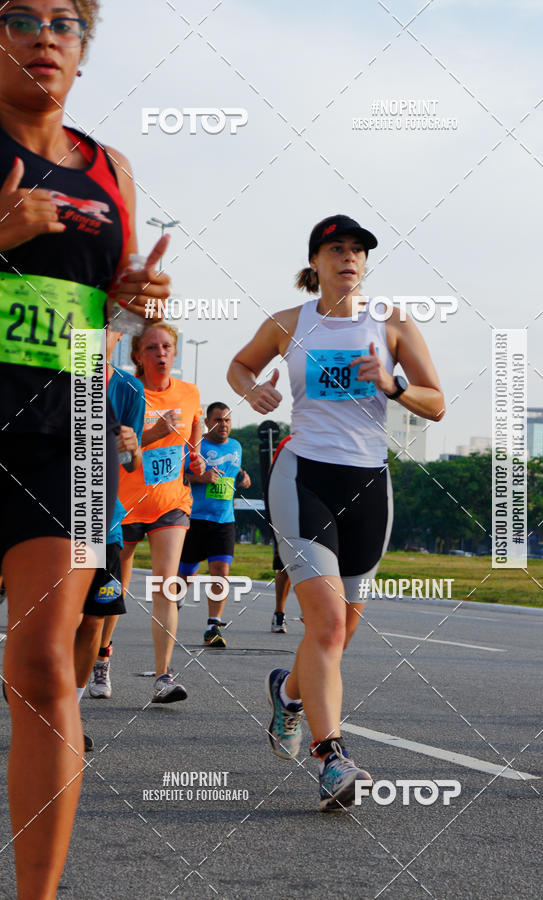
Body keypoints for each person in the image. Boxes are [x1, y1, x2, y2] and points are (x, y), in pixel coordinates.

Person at [0, 1, 171, 894]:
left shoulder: (112, 170)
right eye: (19, 15)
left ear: (83, 47)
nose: (44, 34)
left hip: (61, 436)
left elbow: (116, 313)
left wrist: (139, 296)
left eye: (65, 21)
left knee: (38, 664)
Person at [228, 214, 445, 811]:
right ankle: (332, 757)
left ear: (366, 264)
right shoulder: (287, 323)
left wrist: (394, 386)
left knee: (340, 634)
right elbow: (238, 366)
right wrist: (254, 392)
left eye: (358, 251)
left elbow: (437, 404)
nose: (348, 258)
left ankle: (288, 693)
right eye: (336, 249)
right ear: (316, 262)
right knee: (323, 625)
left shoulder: (392, 325)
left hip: (369, 482)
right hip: (304, 476)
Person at [119, 322, 205, 701]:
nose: (161, 353)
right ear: (137, 355)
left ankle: (163, 676)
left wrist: (196, 457)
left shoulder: (189, 392)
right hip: (123, 504)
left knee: (165, 586)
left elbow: (195, 426)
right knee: (112, 592)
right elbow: (116, 448)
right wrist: (154, 434)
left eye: (167, 346)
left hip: (171, 503)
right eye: (152, 348)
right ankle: (102, 658)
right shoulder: (125, 390)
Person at [74, 331, 145, 721]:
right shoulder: (53, 376)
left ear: (119, 334)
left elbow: (132, 464)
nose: (102, 333)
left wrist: (133, 448)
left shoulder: (129, 388)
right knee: (57, 619)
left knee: (93, 619)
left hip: (105, 521)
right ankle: (35, 689)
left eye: (110, 325)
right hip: (53, 519)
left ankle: (68, 712)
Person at [178, 402, 251, 647]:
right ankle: (175, 599)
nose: (224, 425)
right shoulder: (196, 447)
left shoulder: (236, 445)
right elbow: (178, 476)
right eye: (218, 420)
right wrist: (201, 478)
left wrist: (242, 476)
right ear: (208, 422)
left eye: (228, 420)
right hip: (195, 519)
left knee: (221, 571)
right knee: (186, 572)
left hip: (224, 521)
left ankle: (213, 625)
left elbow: (233, 467)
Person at [269, 435, 292, 633]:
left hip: (317, 512)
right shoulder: (289, 443)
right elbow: (273, 474)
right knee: (287, 566)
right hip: (287, 510)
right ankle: (279, 613)